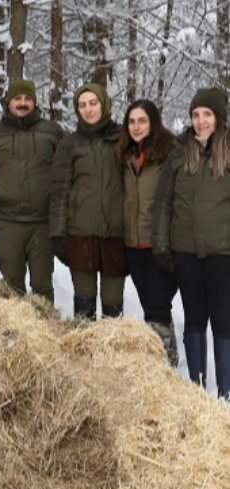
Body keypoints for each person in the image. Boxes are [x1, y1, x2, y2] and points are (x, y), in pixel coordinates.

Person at [153, 88, 230, 398]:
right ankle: (197, 392)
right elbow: (163, 204)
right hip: (185, 251)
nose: (200, 122)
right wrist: (162, 245)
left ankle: (225, 393)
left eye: (207, 115)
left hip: (223, 253)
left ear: (219, 118)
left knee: (224, 320)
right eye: (196, 115)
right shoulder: (178, 155)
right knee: (194, 318)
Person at [0, 79, 63, 302]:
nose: (23, 103)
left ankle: (45, 330)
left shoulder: (52, 132)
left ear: (34, 102)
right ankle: (18, 334)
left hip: (42, 223)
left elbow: (65, 177)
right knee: (12, 285)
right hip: (8, 222)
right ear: (8, 102)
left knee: (42, 284)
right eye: (17, 99)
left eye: (27, 99)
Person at [49, 83, 127, 319]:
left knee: (113, 302)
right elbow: (59, 190)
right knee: (84, 301)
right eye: (82, 105)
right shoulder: (69, 144)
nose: (88, 109)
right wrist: (58, 233)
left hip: (116, 233)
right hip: (80, 233)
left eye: (93, 103)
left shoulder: (123, 138)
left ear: (104, 104)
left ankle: (110, 352)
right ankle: (84, 351)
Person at [117, 99, 178, 365]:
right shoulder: (126, 154)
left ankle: (161, 365)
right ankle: (170, 354)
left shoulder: (170, 152)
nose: (136, 126)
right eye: (132, 121)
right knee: (153, 308)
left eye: (142, 120)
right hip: (134, 243)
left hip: (160, 244)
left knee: (156, 307)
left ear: (153, 122)